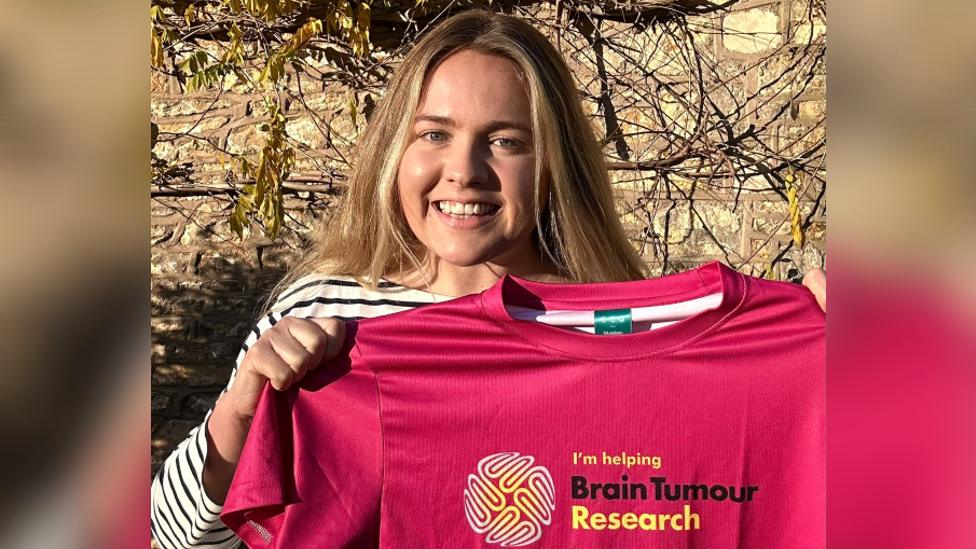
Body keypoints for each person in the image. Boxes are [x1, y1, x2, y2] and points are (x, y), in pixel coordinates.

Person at [150, 10, 826, 549]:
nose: (465, 171)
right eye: (435, 134)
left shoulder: (620, 330)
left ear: (551, 164)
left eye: (506, 140)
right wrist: (241, 414)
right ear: (395, 151)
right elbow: (176, 537)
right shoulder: (327, 321)